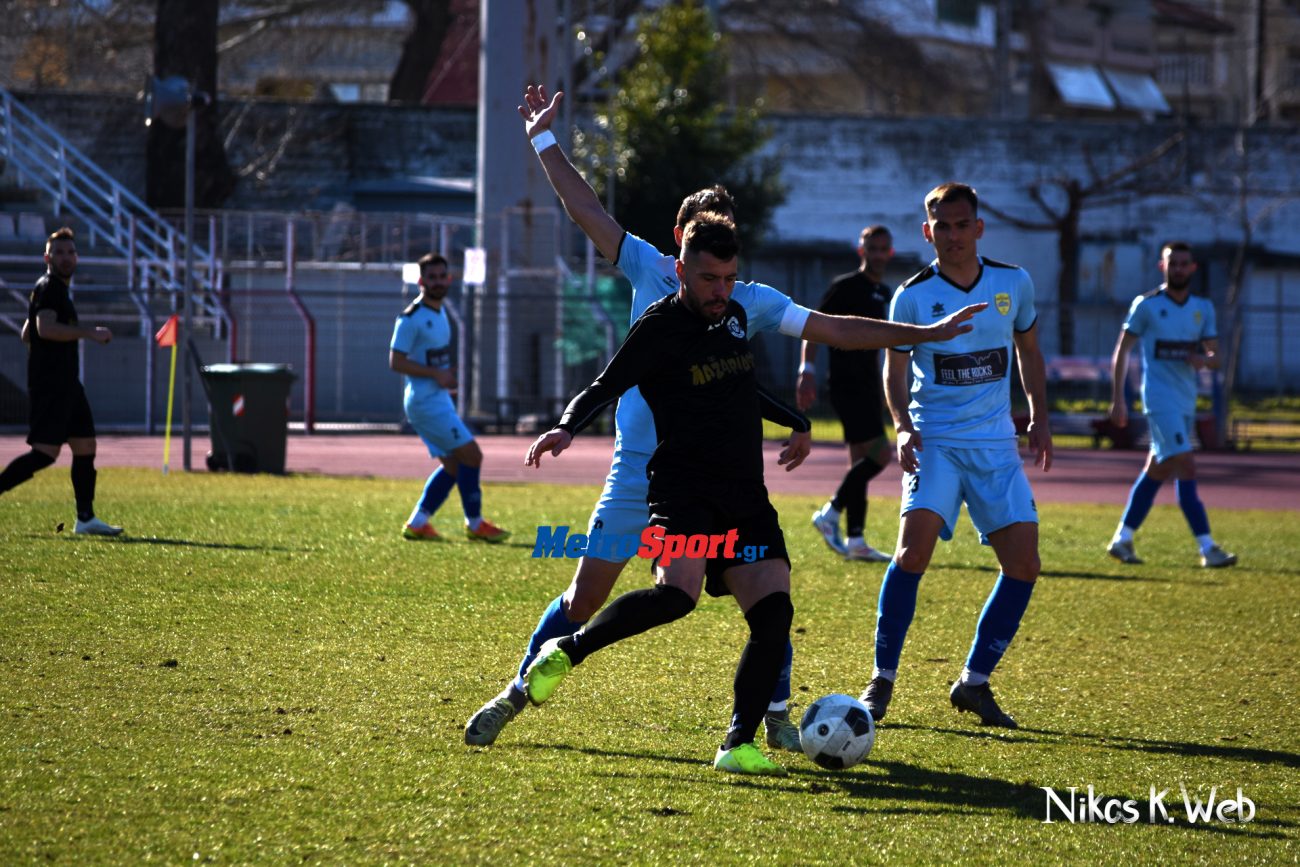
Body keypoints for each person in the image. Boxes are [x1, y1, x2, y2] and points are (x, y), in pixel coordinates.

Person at [463, 82, 983, 751]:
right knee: (585, 598)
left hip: (727, 480)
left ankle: (771, 718)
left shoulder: (747, 299)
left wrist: (918, 335)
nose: (717, 269)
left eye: (726, 238)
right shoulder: (647, 271)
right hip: (642, 478)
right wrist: (543, 138)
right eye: (702, 232)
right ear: (681, 243)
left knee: (768, 590)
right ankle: (520, 687)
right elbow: (582, 205)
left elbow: (830, 329)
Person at [521, 213, 984, 775]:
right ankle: (567, 651)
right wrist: (567, 427)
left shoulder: (739, 313)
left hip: (744, 494)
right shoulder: (657, 327)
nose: (722, 291)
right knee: (676, 598)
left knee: (774, 612)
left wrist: (923, 337)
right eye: (710, 279)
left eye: (730, 277)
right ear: (681, 270)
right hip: (683, 491)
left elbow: (764, 376)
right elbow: (604, 384)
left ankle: (737, 743)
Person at [860, 183, 1052, 730]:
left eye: (962, 224)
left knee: (1024, 564)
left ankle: (974, 682)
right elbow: (894, 371)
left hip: (995, 446)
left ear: (979, 228)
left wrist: (1039, 416)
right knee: (912, 551)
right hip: (936, 441)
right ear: (928, 232)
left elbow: (1028, 351)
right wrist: (900, 427)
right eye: (942, 226)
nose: (953, 235)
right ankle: (882, 679)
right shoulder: (913, 295)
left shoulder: (1013, 283)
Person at [1105, 242, 1236, 568]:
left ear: (1192, 268)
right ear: (1162, 267)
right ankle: (1208, 548)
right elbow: (1122, 351)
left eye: (1184, 263)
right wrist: (1118, 398)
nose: (1178, 268)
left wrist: (1203, 360)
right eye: (1172, 263)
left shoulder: (1203, 308)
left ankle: (1122, 539)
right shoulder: (1146, 306)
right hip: (1159, 400)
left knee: (1158, 469)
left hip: (1185, 400)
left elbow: (1217, 358)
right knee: (1186, 466)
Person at [0, 228, 122, 535]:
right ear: (47, 257)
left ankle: (86, 518)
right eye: (59, 253)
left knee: (85, 446)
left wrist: (45, 353)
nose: (66, 258)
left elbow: (28, 332)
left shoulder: (54, 290)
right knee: (44, 453)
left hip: (67, 383)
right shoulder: (49, 286)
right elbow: (44, 329)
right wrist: (88, 333)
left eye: (70, 252)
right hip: (52, 385)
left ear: (76, 257)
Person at [389, 253, 509, 543]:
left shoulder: (440, 312)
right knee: (472, 455)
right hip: (424, 402)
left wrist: (443, 376)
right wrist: (435, 374)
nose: (438, 282)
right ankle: (476, 523)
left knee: (454, 466)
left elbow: (431, 359)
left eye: (442, 276)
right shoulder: (410, 318)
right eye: (432, 277)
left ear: (449, 279)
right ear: (421, 281)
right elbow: (395, 361)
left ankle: (418, 523)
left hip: (437, 398)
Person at [797, 225, 895, 563]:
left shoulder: (885, 293)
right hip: (846, 384)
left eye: (884, 249)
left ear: (890, 253)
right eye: (873, 248)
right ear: (861, 251)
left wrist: (886, 387)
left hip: (868, 385)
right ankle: (830, 512)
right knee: (882, 454)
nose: (878, 254)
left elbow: (885, 346)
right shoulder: (844, 287)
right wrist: (806, 371)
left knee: (860, 462)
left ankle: (855, 540)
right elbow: (813, 327)